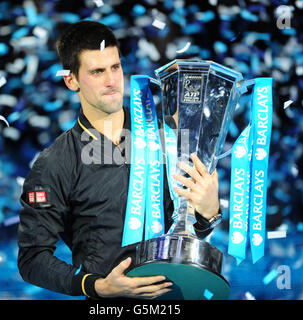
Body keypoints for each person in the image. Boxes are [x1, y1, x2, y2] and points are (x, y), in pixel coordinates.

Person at [17, 20, 221, 300]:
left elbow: (187, 231)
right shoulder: (55, 163)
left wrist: (208, 214)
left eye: (115, 67)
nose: (111, 81)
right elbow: (32, 258)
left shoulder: (168, 140)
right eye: (97, 71)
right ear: (71, 80)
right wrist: (96, 286)